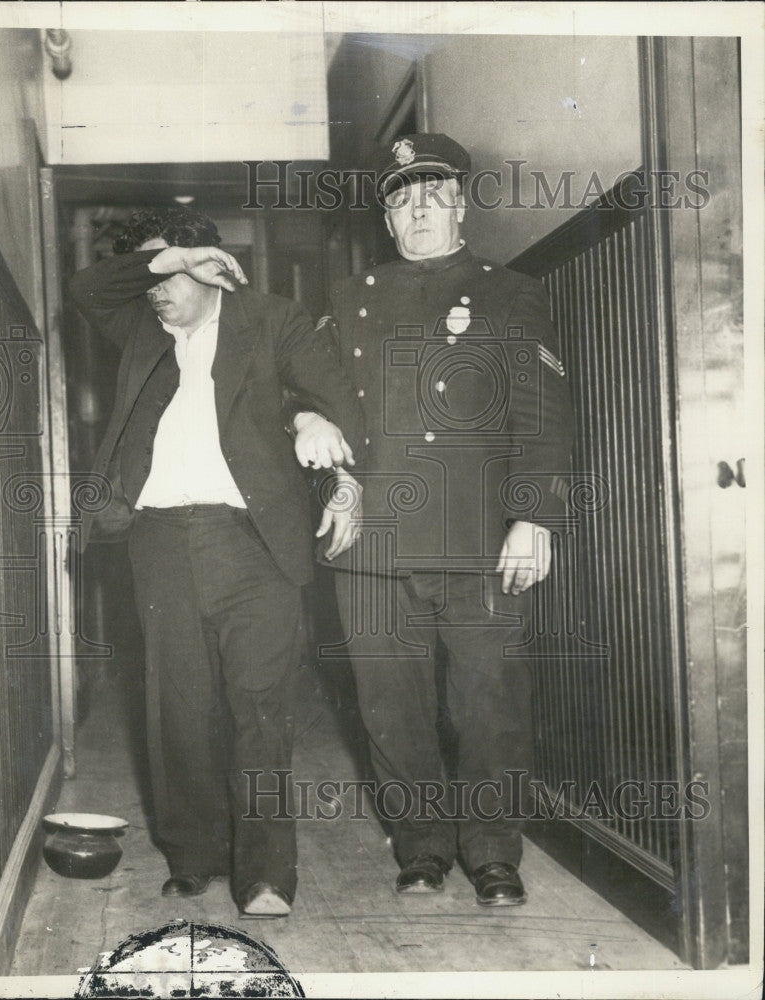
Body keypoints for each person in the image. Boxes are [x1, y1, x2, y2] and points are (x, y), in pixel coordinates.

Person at [294, 133, 574, 906]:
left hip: (480, 536)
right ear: (385, 218)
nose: (415, 209)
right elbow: (307, 392)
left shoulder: (507, 290)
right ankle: (419, 845)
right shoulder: (349, 298)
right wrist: (304, 425)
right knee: (391, 703)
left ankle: (492, 851)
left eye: (431, 194)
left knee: (489, 702)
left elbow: (542, 411)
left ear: (458, 205)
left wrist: (534, 517)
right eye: (399, 198)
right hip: (371, 537)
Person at [70, 206, 364, 918]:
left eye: (172, 269)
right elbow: (85, 291)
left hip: (253, 543)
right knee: (178, 706)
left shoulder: (271, 319)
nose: (158, 289)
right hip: (160, 542)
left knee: (259, 709)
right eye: (153, 274)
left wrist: (326, 447)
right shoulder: (142, 327)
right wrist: (164, 262)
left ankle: (266, 875)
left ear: (211, 263)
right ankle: (192, 852)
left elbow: (332, 403)